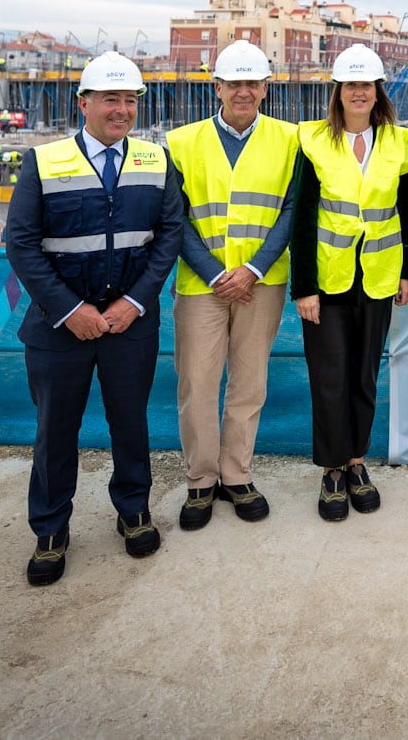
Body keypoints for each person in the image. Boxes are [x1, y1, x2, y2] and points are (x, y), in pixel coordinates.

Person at [3, 51, 185, 588]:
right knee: (55, 431)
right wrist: (69, 310)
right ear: (84, 103)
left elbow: (169, 235)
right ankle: (51, 531)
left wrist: (135, 303)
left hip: (130, 324)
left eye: (130, 100)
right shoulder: (44, 162)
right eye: (111, 99)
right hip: (60, 328)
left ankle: (133, 511)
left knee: (130, 424)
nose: (121, 109)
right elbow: (21, 243)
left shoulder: (156, 162)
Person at [166, 40, 301, 530]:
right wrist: (216, 273)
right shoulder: (181, 143)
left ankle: (236, 474)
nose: (243, 91)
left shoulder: (290, 140)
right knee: (197, 384)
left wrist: (254, 270)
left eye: (252, 83)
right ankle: (201, 481)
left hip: (260, 284)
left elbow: (292, 210)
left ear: (266, 88)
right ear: (216, 87)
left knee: (249, 382)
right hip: (203, 284)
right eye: (234, 83)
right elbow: (175, 218)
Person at [292, 44, 408, 522]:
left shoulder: (397, 142)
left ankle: (358, 462)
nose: (359, 92)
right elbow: (302, 219)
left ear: (377, 91)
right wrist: (304, 287)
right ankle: (331, 470)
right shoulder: (313, 141)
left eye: (367, 85)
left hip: (379, 278)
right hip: (328, 280)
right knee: (329, 378)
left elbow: (404, 210)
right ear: (338, 92)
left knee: (364, 376)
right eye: (351, 85)